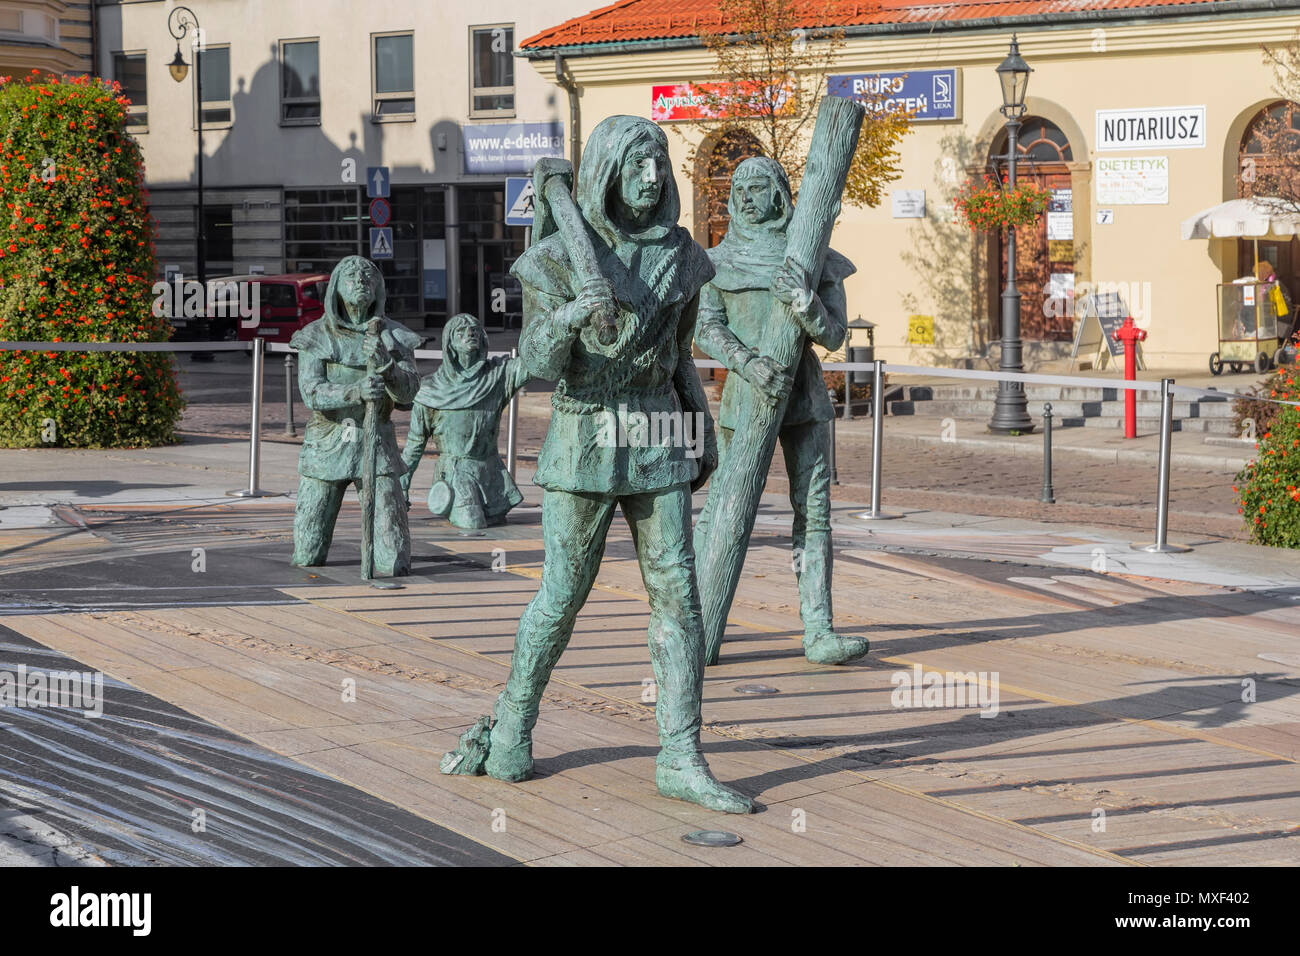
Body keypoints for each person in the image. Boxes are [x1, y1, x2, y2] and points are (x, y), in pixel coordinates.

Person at [441, 115, 754, 814]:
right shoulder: (557, 258)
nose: (652, 177)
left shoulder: (682, 257)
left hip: (656, 435)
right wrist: (570, 318)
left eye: (659, 164)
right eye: (638, 164)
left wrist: (699, 428)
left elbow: (677, 357)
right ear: (607, 171)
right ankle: (514, 724)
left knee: (679, 597)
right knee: (562, 595)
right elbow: (538, 362)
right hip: (583, 433)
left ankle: (680, 755)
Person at [694, 156, 868, 666]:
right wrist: (746, 362)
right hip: (745, 398)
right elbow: (706, 328)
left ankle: (818, 629)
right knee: (725, 506)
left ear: (781, 195)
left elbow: (835, 336)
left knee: (813, 514)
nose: (747, 196)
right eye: (739, 188)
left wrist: (805, 302)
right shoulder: (716, 262)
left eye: (759, 186)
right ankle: (699, 626)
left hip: (804, 400)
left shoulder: (816, 259)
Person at [289, 256, 421, 576]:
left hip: (375, 440)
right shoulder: (316, 335)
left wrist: (387, 366)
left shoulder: (395, 336)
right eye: (351, 275)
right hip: (329, 440)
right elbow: (311, 392)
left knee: (392, 559)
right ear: (336, 287)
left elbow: (408, 396)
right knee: (308, 549)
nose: (361, 280)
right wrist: (354, 392)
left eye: (368, 275)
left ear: (380, 289)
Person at [399, 313, 528, 530]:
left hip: (491, 472)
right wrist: (402, 485)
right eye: (461, 331)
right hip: (456, 473)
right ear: (449, 342)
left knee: (494, 528)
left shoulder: (498, 376)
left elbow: (534, 364)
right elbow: (415, 443)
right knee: (472, 524)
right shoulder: (430, 389)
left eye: (475, 330)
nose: (470, 333)